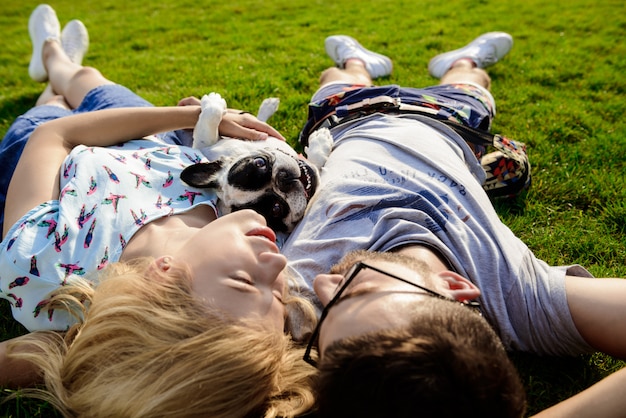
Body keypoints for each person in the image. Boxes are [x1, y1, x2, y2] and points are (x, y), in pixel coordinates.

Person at [279, 33, 626, 417]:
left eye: (320, 327)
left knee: (338, 73)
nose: (323, 285)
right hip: (449, 119)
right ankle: (463, 60)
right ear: (455, 287)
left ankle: (357, 62)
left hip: (342, 117)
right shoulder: (519, 297)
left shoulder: (295, 297)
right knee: (471, 79)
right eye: (359, 290)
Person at [0, 5, 316, 417]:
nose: (276, 264)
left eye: (245, 280)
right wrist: (200, 122)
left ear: (162, 274)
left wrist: (194, 116)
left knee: (57, 103)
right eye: (279, 294)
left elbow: (57, 136)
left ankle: (51, 58)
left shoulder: (44, 262)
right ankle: (61, 66)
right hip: (152, 141)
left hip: (44, 152)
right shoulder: (244, 245)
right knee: (89, 82)